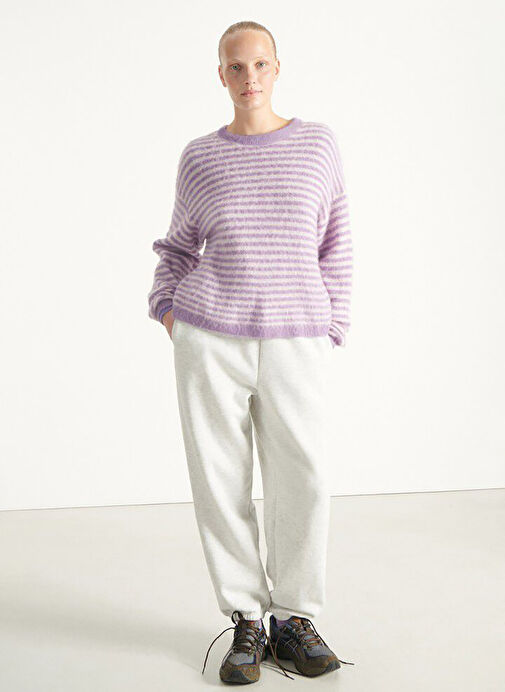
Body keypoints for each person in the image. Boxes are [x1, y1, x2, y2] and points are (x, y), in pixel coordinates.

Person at [147, 20, 354, 684]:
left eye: (259, 64)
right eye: (235, 67)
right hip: (212, 337)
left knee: (305, 479)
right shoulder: (200, 157)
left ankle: (294, 619)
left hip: (296, 337)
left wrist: (331, 324)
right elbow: (177, 246)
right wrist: (171, 313)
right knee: (219, 481)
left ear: (277, 67)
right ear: (221, 74)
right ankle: (245, 621)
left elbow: (336, 240)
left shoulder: (317, 144)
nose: (249, 77)